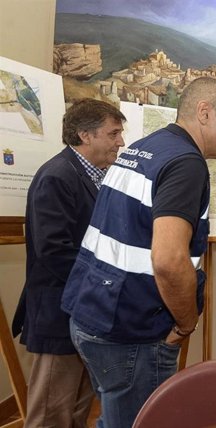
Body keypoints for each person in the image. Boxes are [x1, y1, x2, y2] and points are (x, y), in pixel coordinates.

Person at [61, 77, 216, 428]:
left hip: (91, 313)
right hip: (129, 331)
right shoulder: (186, 163)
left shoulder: (145, 147)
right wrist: (186, 322)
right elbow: (169, 259)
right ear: (204, 112)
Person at [11, 99, 126, 428]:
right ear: (85, 135)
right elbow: (54, 252)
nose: (120, 142)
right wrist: (109, 283)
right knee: (50, 414)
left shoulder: (93, 176)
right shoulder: (58, 177)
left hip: (83, 311)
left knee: (76, 411)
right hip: (60, 312)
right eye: (113, 133)